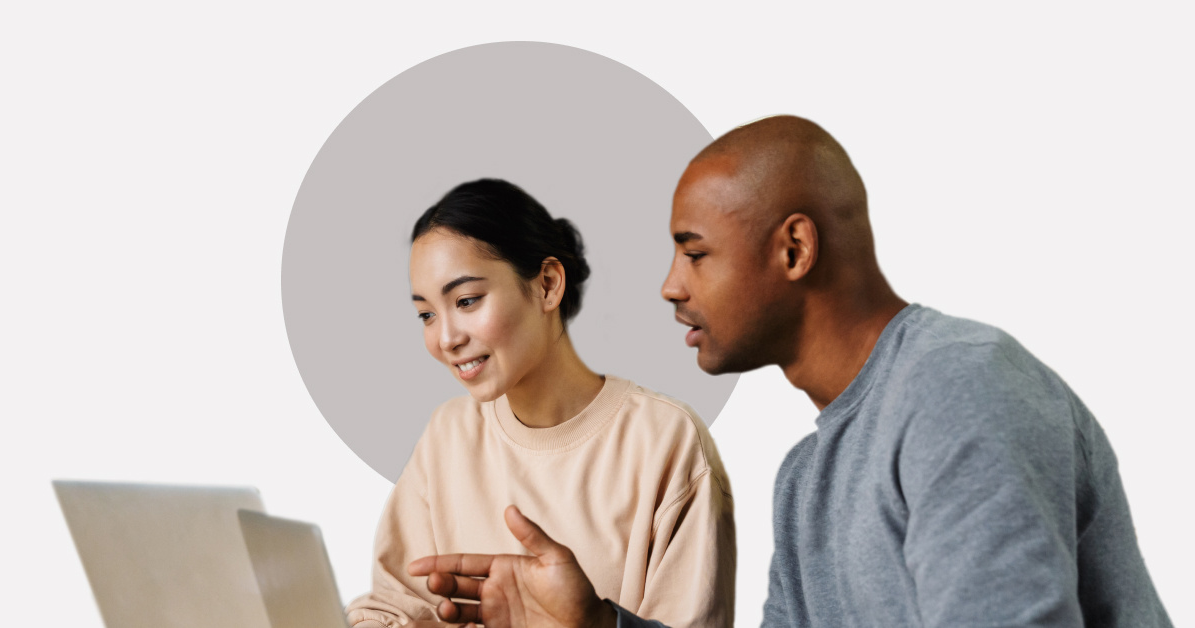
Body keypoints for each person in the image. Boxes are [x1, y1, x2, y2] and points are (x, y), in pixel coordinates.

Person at [405, 118, 1173, 627]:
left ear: (794, 250)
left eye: (695, 251)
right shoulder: (806, 479)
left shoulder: (957, 387)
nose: (671, 285)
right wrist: (596, 621)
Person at [345, 178, 735, 628]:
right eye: (427, 314)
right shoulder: (447, 433)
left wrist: (594, 622)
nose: (446, 338)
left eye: (467, 300)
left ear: (548, 285)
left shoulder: (665, 442)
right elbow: (394, 607)